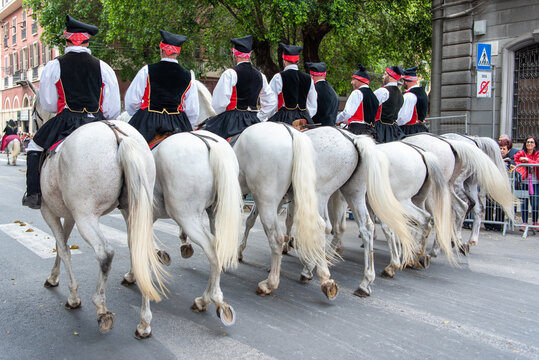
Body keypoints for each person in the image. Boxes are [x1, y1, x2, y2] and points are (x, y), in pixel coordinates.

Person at [22, 15, 121, 209]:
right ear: (87, 40)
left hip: (67, 119)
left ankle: (33, 194)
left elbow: (48, 104)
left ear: (66, 39)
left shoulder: (54, 65)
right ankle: (123, 194)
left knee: (34, 147)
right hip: (97, 120)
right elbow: (113, 109)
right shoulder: (103, 67)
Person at [126, 30, 198, 144]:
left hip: (148, 120)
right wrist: (188, 124)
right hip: (177, 122)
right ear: (177, 53)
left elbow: (132, 101)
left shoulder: (147, 70)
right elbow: (192, 110)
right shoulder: (189, 76)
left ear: (161, 50)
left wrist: (139, 116)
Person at [205, 35, 276, 139]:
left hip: (232, 119)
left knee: (207, 137)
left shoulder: (230, 73)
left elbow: (219, 103)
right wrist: (260, 116)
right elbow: (271, 102)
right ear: (250, 54)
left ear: (235, 54)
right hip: (253, 118)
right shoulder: (261, 76)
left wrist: (224, 117)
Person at [268, 43, 317, 127]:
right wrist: (307, 115)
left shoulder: (279, 77)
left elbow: (271, 101)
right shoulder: (308, 78)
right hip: (304, 117)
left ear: (284, 60)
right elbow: (313, 104)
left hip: (284, 117)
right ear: (297, 61)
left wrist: (270, 116)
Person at [335, 64, 378, 139]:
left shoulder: (357, 92)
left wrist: (335, 119)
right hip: (371, 132)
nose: (352, 82)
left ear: (360, 80)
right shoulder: (374, 96)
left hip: (357, 131)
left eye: (353, 79)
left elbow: (347, 113)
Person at [373, 65, 405, 142]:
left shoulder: (382, 91)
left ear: (390, 77)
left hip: (379, 129)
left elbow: (369, 109)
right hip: (394, 130)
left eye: (385, 74)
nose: (383, 77)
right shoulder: (401, 95)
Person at [514, 135, 539, 229]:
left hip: (535, 182)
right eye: (528, 142)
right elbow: (516, 161)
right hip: (523, 182)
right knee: (524, 202)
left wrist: (527, 160)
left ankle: (535, 222)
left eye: (531, 142)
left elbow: (537, 163)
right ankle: (524, 222)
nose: (529, 144)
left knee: (535, 203)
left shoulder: (537, 153)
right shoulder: (521, 153)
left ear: (535, 144)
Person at [397, 66, 429, 135]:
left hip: (409, 129)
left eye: (403, 80)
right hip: (421, 128)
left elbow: (403, 118)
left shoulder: (409, 95)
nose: (402, 83)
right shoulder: (423, 92)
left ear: (406, 81)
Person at [306, 62, 339, 127]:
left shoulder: (313, 90)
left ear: (312, 77)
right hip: (333, 129)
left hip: (316, 129)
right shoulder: (333, 91)